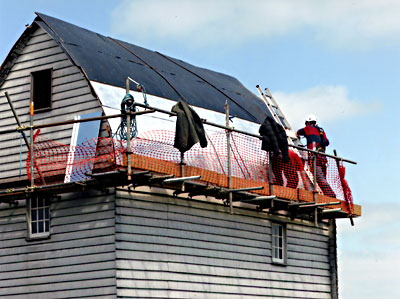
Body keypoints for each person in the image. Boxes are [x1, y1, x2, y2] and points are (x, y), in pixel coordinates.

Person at [296, 114, 336, 198]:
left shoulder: (307, 128)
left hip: (315, 157)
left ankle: (331, 196)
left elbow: (298, 132)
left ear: (307, 122)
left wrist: (299, 136)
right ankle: (327, 196)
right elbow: (326, 142)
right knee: (323, 178)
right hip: (323, 157)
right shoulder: (321, 130)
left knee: (320, 179)